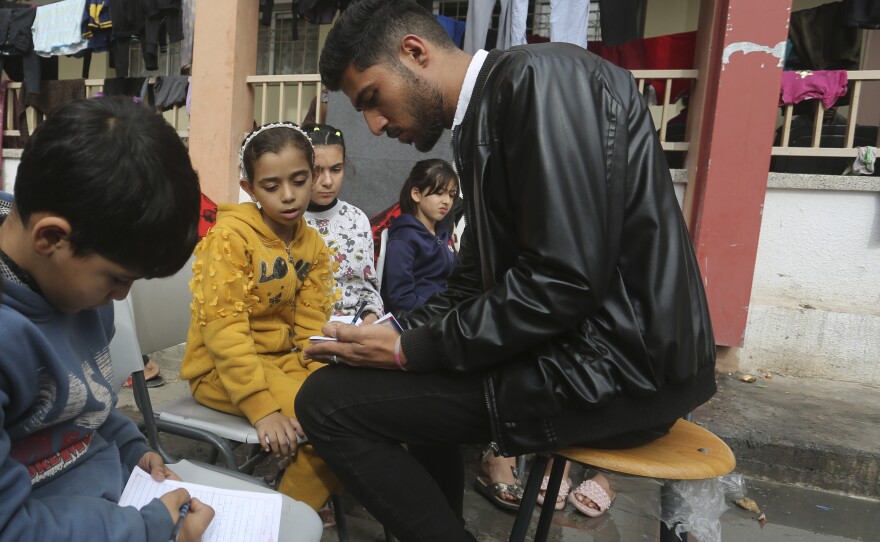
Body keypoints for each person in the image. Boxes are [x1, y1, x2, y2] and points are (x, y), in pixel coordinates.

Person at [296, 1, 716, 540]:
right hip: (586, 356)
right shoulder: (487, 116)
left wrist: (414, 349)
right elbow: (471, 282)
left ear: (414, 52)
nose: (375, 127)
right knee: (387, 370)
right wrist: (395, 333)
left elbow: (563, 279)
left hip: (623, 373)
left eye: (373, 100)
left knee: (325, 404)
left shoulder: (542, 83)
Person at [0, 97, 213, 542]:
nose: (120, 298)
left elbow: (85, 401)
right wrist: (150, 529)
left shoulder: (75, 287)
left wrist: (131, 447)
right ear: (52, 237)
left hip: (113, 502)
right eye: (116, 280)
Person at [179, 122, 341, 515]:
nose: (288, 196)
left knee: (354, 408)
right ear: (249, 188)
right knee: (335, 428)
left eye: (299, 180)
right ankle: (281, 521)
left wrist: (326, 360)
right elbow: (225, 334)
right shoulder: (229, 239)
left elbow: (308, 324)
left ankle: (283, 500)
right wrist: (262, 408)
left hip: (279, 361)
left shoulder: (312, 243)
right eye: (271, 186)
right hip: (222, 369)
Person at [303, 123, 384, 324]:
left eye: (336, 169)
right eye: (316, 170)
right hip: (300, 332)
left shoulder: (357, 220)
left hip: (352, 330)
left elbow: (368, 290)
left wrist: (370, 319)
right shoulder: (285, 219)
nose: (328, 181)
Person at [381, 158, 457, 313]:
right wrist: (443, 313)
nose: (447, 201)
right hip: (418, 321)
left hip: (445, 314)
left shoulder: (443, 234)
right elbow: (400, 298)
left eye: (451, 194)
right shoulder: (403, 238)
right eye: (439, 193)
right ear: (416, 194)